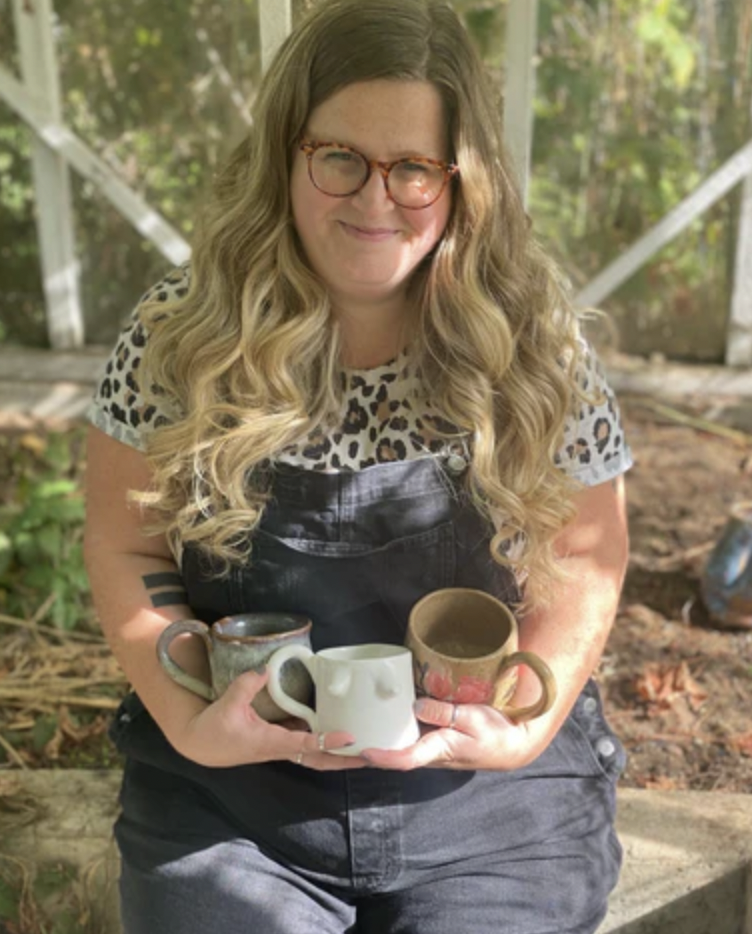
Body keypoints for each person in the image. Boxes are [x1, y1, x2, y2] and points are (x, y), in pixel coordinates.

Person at [84, 1, 632, 931]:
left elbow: (585, 553)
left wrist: (523, 728)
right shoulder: (179, 335)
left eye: (414, 168)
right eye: (339, 157)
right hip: (234, 807)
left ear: (465, 182)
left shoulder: (535, 345)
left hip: (490, 808)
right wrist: (188, 725)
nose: (375, 200)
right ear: (285, 156)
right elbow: (124, 544)